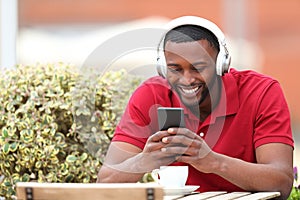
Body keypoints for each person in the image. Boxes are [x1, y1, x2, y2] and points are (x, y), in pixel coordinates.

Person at [97, 16, 294, 199]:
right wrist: (145, 160)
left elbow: (282, 183)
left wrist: (213, 161)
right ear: (163, 68)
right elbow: (104, 183)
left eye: (198, 68)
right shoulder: (151, 94)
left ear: (221, 65)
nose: (187, 80)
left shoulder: (261, 92)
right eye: (175, 69)